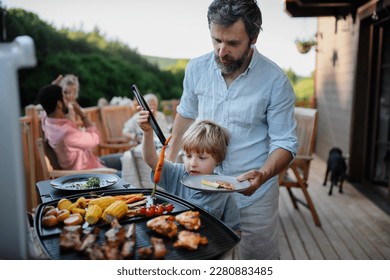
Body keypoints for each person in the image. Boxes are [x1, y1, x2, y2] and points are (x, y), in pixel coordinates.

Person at [166, 0, 298, 260]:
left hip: (254, 197)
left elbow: (286, 143)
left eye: (233, 43)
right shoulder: (196, 69)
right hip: (202, 191)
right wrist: (168, 161)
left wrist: (263, 173)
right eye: (216, 40)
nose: (221, 51)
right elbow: (185, 115)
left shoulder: (276, 81)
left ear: (254, 37)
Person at [137, 112, 240, 234]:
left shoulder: (224, 192)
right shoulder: (177, 174)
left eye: (202, 157)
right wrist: (148, 132)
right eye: (188, 156)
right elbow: (150, 159)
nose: (193, 163)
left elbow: (234, 230)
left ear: (218, 159)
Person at [37, 84, 123, 175]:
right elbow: (96, 139)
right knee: (130, 173)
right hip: (90, 173)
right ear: (59, 104)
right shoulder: (66, 133)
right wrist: (82, 115)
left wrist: (53, 86)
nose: (68, 100)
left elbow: (46, 102)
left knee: (128, 159)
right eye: (64, 97)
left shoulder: (47, 121)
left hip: (93, 162)